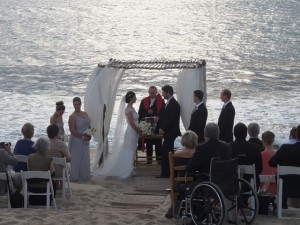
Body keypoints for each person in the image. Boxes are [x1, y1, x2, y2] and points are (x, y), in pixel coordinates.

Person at [94, 91, 142, 179]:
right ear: (131, 98)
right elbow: (131, 122)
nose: (136, 98)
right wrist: (139, 131)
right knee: (129, 150)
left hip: (134, 132)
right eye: (135, 97)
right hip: (131, 132)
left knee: (132, 149)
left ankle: (130, 168)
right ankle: (126, 169)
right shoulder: (128, 109)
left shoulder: (132, 108)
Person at [269, 124, 300, 209]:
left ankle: (283, 205)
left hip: (285, 188)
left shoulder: (285, 148)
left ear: (296, 134)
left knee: (282, 176)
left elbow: (271, 163)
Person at [230, 122, 263, 190]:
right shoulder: (255, 148)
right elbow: (259, 169)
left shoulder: (228, 147)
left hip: (233, 183)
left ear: (234, 134)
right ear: (246, 133)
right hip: (251, 184)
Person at [158, 85, 181, 178]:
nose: (162, 95)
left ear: (168, 93)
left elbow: (171, 119)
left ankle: (166, 173)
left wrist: (163, 129)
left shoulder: (174, 104)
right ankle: (166, 172)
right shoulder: (168, 103)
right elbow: (164, 117)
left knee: (166, 152)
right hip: (169, 132)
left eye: (163, 93)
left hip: (172, 133)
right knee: (166, 153)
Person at [138, 86, 165, 164]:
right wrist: (147, 114)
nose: (151, 94)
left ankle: (159, 161)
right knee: (149, 143)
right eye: (150, 93)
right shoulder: (144, 101)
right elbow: (140, 113)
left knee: (158, 144)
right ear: (148, 92)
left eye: (153, 93)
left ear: (156, 92)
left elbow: (164, 113)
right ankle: (149, 160)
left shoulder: (161, 101)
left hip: (158, 125)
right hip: (147, 126)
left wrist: (158, 116)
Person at [68, 97, 91, 182]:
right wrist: (82, 137)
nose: (76, 106)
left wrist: (90, 135)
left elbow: (89, 125)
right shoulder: (72, 116)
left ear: (80, 104)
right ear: (73, 105)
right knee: (76, 157)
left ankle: (84, 175)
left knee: (85, 156)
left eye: (78, 104)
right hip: (77, 139)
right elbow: (72, 130)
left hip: (86, 138)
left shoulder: (85, 113)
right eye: (75, 104)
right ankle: (75, 175)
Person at [27, 137, 56, 205]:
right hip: (44, 188)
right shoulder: (49, 158)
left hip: (31, 187)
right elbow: (53, 172)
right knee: (53, 181)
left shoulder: (30, 157)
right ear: (47, 146)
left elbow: (29, 171)